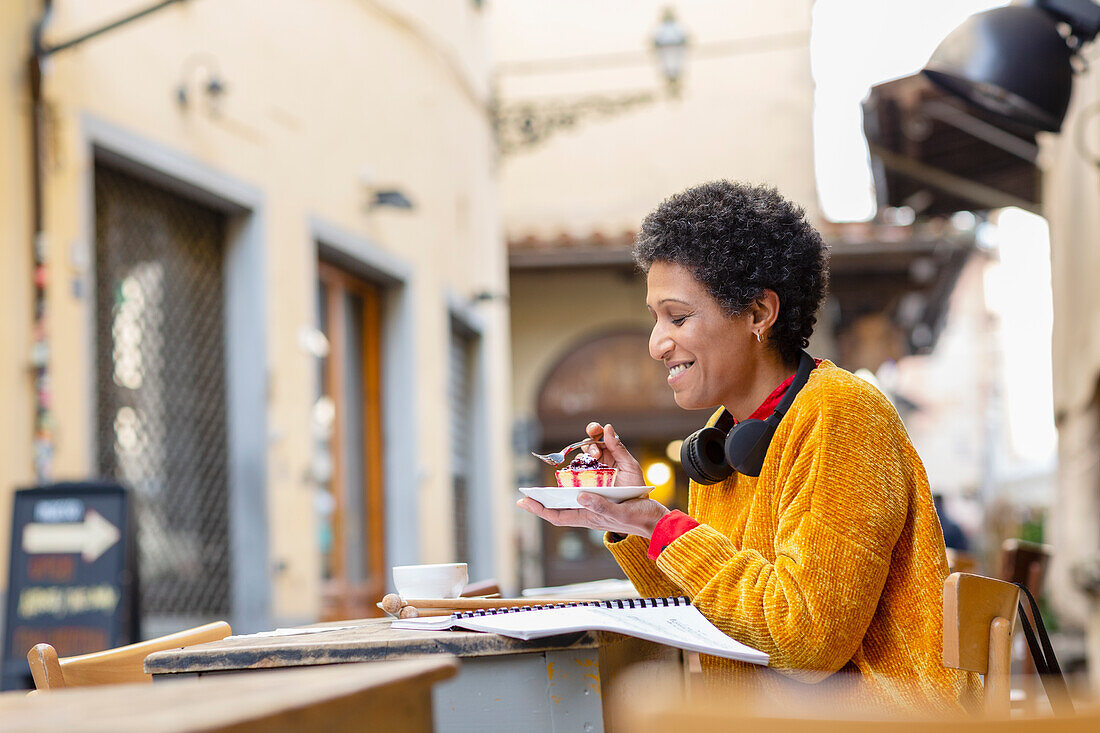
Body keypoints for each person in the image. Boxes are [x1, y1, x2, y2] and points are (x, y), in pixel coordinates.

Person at [518, 181, 981, 714]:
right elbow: (706, 612)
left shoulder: (842, 413)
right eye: (654, 318)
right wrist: (623, 516)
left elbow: (806, 644)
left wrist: (658, 525)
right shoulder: (724, 440)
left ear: (759, 313)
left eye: (678, 316)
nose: (655, 343)